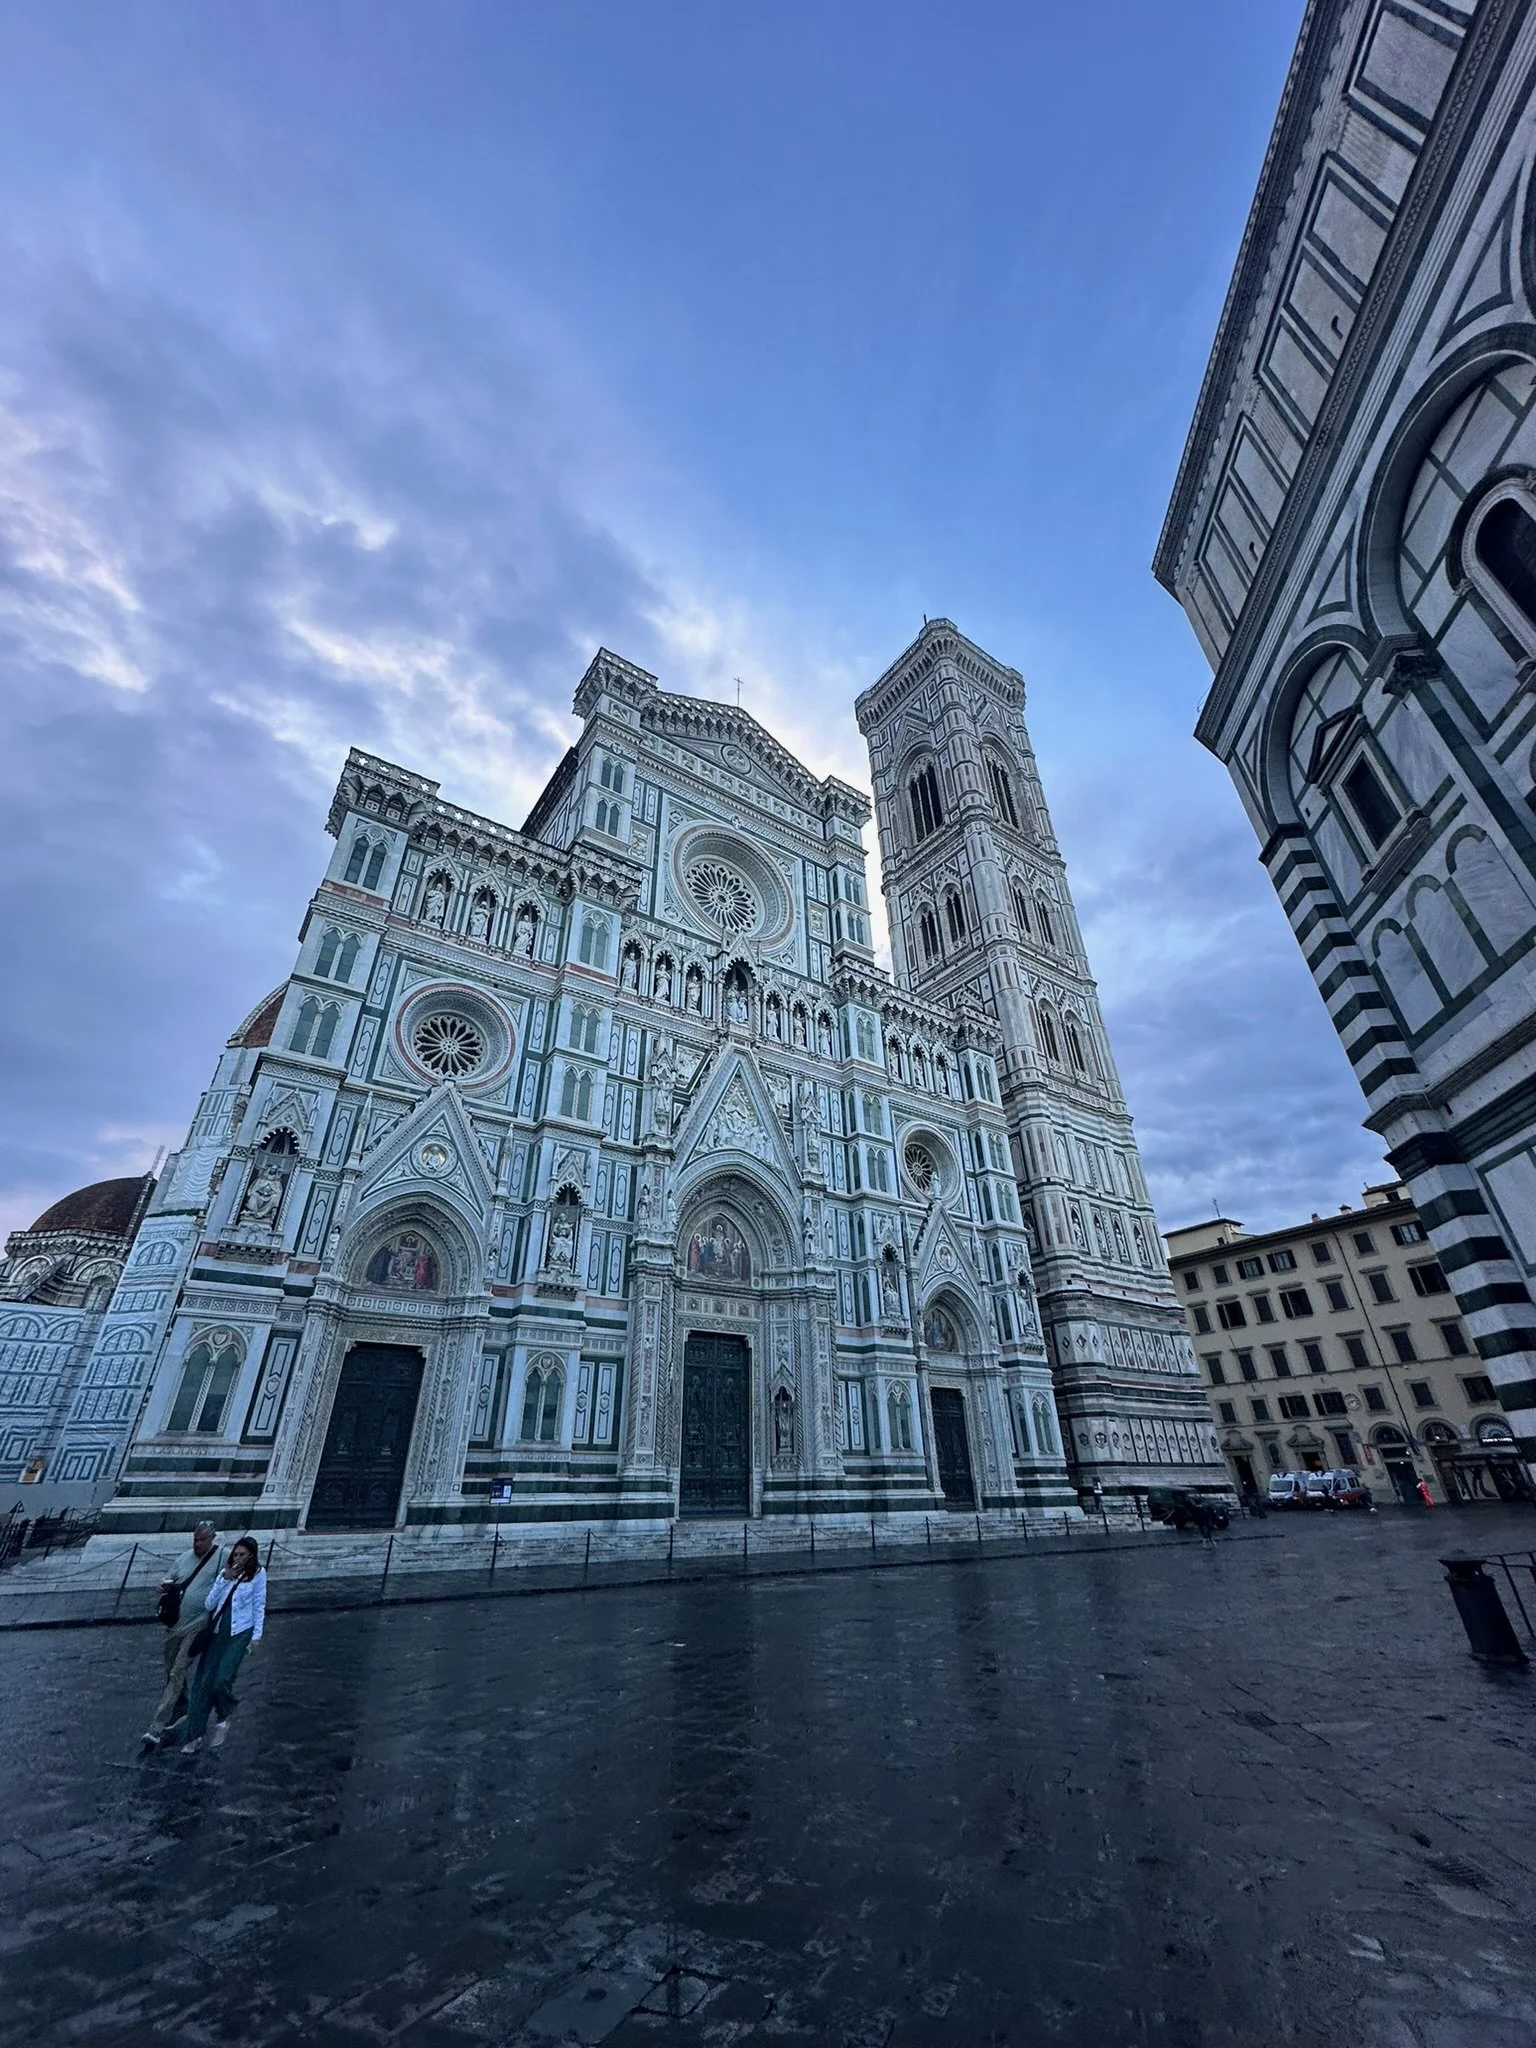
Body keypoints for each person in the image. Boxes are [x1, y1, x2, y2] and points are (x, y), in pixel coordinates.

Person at [161, 1536, 267, 1755]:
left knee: (221, 1680)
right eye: (235, 1554)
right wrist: (224, 1579)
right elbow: (210, 1603)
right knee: (203, 1684)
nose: (238, 1558)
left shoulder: (259, 1574)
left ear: (251, 1556)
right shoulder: (224, 1575)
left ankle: (224, 1716)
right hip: (216, 1632)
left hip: (239, 1632)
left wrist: (256, 1636)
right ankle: (194, 1735)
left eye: (242, 1555)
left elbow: (259, 1605)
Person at [141, 1522, 225, 1752]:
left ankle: (156, 1728)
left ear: (211, 1539)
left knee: (178, 1671)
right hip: (174, 1625)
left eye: (201, 1540)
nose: (197, 1543)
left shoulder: (221, 1557)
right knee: (170, 1670)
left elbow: (240, 1574)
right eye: (195, 1539)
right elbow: (170, 1579)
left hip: (198, 1626)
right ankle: (183, 1708)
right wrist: (163, 1587)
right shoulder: (183, 1558)